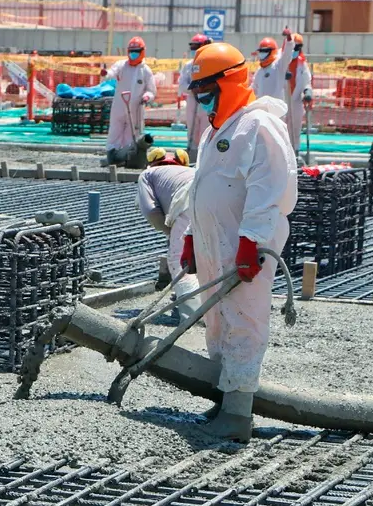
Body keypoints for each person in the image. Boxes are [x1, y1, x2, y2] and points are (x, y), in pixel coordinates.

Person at [181, 42, 298, 442]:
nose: (202, 99)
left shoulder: (259, 126)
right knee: (217, 321)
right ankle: (223, 396)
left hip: (245, 246)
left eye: (207, 91)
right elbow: (200, 189)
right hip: (214, 244)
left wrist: (252, 242)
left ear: (229, 81)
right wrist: (191, 237)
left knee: (244, 320)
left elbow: (271, 191)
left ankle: (237, 413)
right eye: (198, 92)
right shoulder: (215, 130)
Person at [137, 147, 199, 322]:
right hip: (215, 200)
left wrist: (169, 231)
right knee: (211, 256)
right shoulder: (191, 171)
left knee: (179, 261)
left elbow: (150, 211)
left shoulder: (148, 174)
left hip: (187, 203)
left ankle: (193, 315)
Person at [102, 37, 156, 158]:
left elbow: (151, 90)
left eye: (136, 51)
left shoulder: (146, 71)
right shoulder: (121, 65)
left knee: (132, 133)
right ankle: (112, 153)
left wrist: (146, 97)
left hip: (136, 108)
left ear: (142, 52)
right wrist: (106, 74)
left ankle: (128, 155)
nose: (133, 54)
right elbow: (112, 72)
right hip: (119, 106)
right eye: (131, 51)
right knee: (115, 129)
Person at [177, 34, 213, 161]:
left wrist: (204, 89)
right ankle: (192, 156)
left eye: (196, 47)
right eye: (192, 47)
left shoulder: (211, 64)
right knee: (192, 129)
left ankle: (205, 157)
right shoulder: (188, 66)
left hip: (207, 101)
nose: (194, 50)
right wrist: (192, 89)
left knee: (206, 129)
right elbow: (182, 84)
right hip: (193, 100)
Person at [284, 33, 313, 156]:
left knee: (295, 129)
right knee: (282, 128)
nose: (295, 50)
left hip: (296, 101)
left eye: (298, 48)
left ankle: (295, 153)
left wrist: (307, 91)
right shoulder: (281, 61)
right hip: (283, 100)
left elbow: (306, 80)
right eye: (293, 47)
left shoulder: (302, 64)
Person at [250, 27, 295, 101]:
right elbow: (253, 88)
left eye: (265, 51)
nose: (262, 53)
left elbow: (287, 54)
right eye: (261, 51)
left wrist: (289, 39)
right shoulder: (259, 71)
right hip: (262, 106)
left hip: (276, 106)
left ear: (273, 51)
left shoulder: (279, 65)